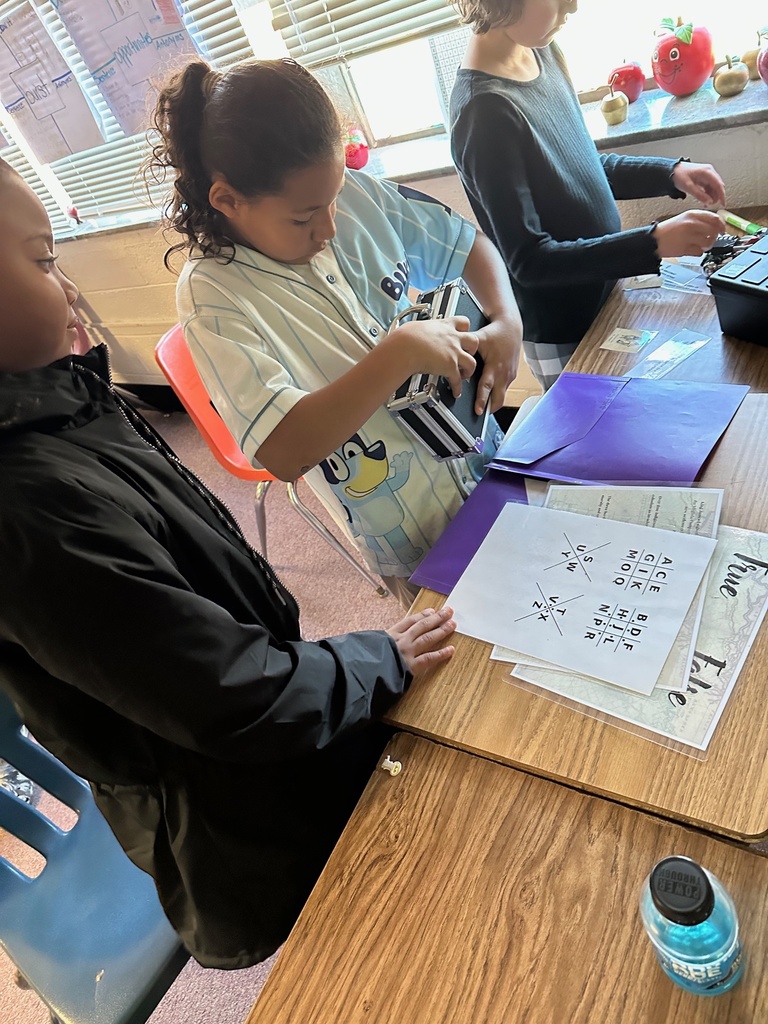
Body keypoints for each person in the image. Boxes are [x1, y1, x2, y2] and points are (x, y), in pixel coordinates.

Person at [0, 157, 460, 969]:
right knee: (391, 936)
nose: (67, 285)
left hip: (280, 723)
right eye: (41, 261)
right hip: (241, 814)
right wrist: (375, 657)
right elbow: (224, 692)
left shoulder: (61, 402)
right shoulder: (25, 511)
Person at [148, 57, 523, 610]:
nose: (328, 227)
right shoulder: (212, 298)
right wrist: (395, 355)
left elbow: (465, 243)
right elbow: (283, 452)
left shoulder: (354, 198)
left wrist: (506, 321)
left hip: (483, 457)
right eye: (303, 218)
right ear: (226, 200)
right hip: (410, 533)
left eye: (334, 196)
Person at [450, 0, 726, 390]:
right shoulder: (484, 112)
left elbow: (582, 166)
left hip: (608, 293)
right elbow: (530, 261)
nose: (573, 6)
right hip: (564, 331)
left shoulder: (542, 50)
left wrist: (670, 174)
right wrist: (652, 243)